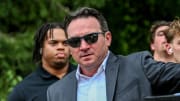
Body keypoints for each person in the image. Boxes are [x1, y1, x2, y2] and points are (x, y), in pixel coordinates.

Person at [47, 7, 180, 101]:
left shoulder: (139, 67)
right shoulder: (56, 92)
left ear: (108, 38)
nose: (83, 47)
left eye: (91, 38)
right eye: (75, 41)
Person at [8, 22, 76, 101]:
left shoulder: (86, 76)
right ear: (41, 48)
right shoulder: (24, 90)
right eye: (53, 43)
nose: (61, 47)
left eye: (65, 43)